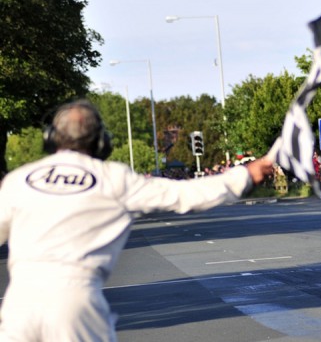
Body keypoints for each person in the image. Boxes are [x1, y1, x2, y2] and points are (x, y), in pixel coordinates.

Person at [0, 100, 273, 342]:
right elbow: (184, 195)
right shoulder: (114, 179)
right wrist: (244, 176)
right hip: (75, 301)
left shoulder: (18, 180)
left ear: (51, 138)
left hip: (20, 301)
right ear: (101, 142)